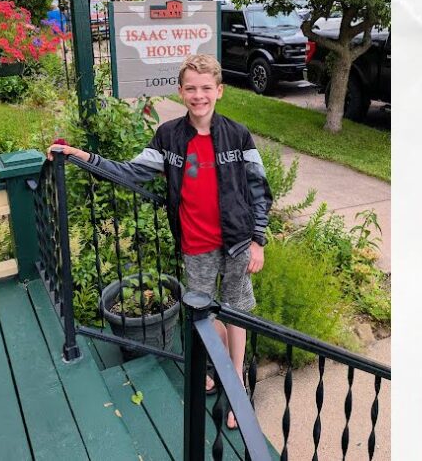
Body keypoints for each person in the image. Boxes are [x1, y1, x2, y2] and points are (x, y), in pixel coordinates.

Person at [48, 54, 272, 429]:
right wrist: (82, 157)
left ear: (219, 91)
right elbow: (132, 171)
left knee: (235, 312)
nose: (198, 96)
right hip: (196, 244)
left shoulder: (238, 134)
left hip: (236, 242)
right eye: (191, 88)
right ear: (181, 92)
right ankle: (220, 366)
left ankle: (236, 387)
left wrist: (258, 240)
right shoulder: (169, 136)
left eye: (206, 88)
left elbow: (258, 188)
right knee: (203, 314)